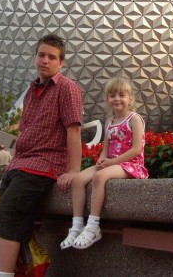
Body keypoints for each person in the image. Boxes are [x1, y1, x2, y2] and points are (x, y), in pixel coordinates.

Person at [0, 34, 83, 277]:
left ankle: (5, 274)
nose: (45, 60)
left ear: (61, 63)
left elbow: (73, 130)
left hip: (43, 165)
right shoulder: (32, 90)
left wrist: (73, 170)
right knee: (1, 217)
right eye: (41, 55)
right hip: (20, 164)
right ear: (35, 57)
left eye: (52, 57)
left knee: (9, 212)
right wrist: (14, 158)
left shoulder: (67, 89)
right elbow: (26, 129)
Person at [60, 77, 148, 250]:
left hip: (131, 165)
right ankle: (77, 225)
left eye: (122, 95)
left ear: (130, 99)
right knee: (78, 179)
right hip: (111, 163)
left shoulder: (134, 119)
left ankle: (93, 226)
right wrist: (101, 160)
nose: (117, 99)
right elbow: (106, 149)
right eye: (112, 95)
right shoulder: (109, 123)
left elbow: (137, 149)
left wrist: (111, 163)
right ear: (107, 99)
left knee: (99, 177)